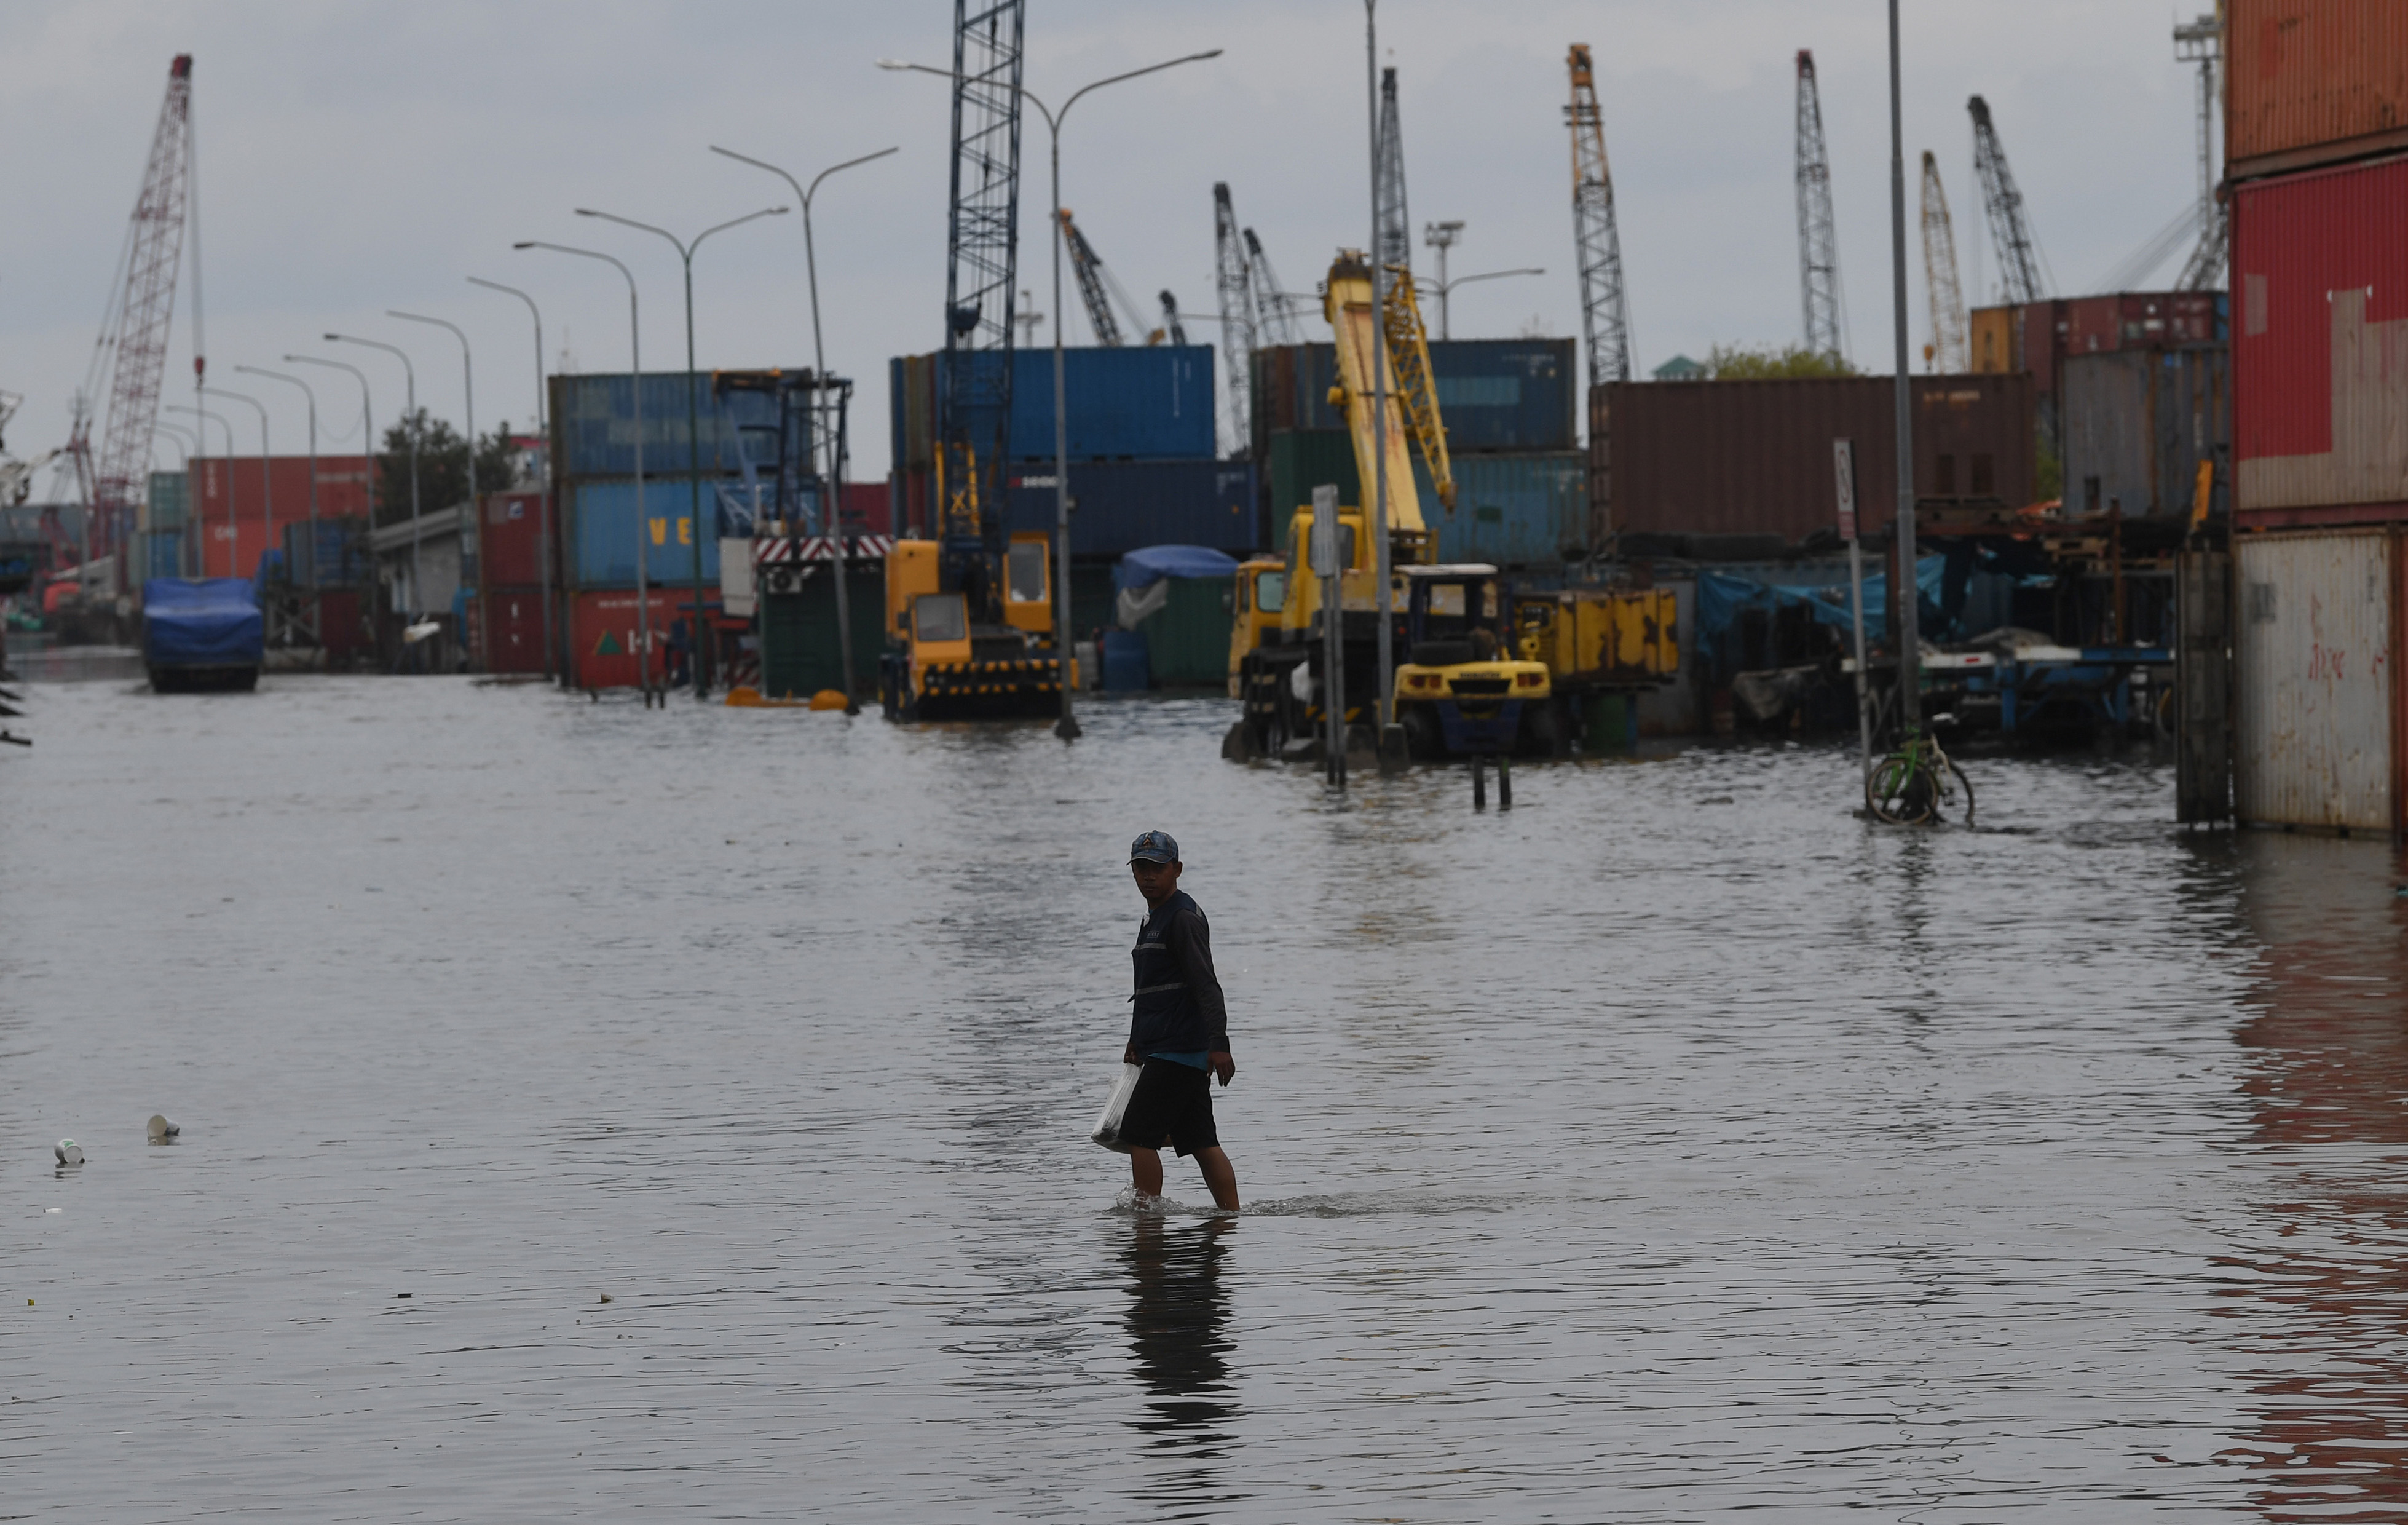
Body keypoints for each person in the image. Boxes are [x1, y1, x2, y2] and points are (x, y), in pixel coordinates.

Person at [1119, 830, 1239, 1211]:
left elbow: (1207, 985)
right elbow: (1152, 988)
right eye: (1141, 868)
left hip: (1180, 1050)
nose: (1149, 876)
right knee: (1202, 1141)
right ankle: (1231, 1219)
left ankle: (1147, 1220)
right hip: (1169, 1048)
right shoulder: (1155, 919)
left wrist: (1219, 1044)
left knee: (1138, 1135)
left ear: (1177, 869)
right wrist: (1137, 1039)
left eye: (1157, 868)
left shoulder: (1182, 917)